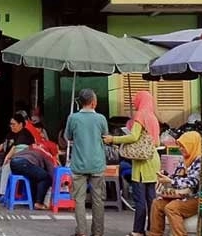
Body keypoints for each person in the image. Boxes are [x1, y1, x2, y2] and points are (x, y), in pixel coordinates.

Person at [104, 90, 161, 236]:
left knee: (139, 198)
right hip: (153, 159)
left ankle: (138, 230)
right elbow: (156, 141)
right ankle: (153, 229)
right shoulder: (153, 117)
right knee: (151, 199)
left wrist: (114, 140)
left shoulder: (141, 115)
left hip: (142, 163)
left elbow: (134, 136)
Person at [66, 88, 108, 236]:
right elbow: (105, 137)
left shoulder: (73, 118)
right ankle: (97, 232)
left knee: (79, 200)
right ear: (93, 102)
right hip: (97, 164)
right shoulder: (101, 119)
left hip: (78, 164)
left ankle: (82, 232)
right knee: (98, 200)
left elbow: (68, 137)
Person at [147, 131, 202, 236]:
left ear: (191, 145)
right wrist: (166, 176)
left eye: (183, 146)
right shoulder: (184, 160)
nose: (181, 149)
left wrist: (170, 181)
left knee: (172, 208)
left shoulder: (200, 161)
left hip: (195, 198)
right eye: (180, 146)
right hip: (182, 195)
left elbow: (193, 182)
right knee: (156, 204)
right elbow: (177, 176)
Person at [0, 112, 36, 200]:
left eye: (13, 124)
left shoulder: (25, 134)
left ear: (20, 124)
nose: (11, 126)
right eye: (10, 124)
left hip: (21, 162)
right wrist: (0, 147)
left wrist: (7, 158)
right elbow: (6, 142)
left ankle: (3, 194)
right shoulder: (11, 133)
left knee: (6, 167)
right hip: (9, 158)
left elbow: (15, 147)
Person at [9, 143, 57, 210]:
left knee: (34, 177)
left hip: (13, 163)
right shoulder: (46, 153)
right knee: (45, 177)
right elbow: (52, 171)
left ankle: (32, 201)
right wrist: (58, 183)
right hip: (24, 163)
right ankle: (38, 203)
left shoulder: (32, 146)